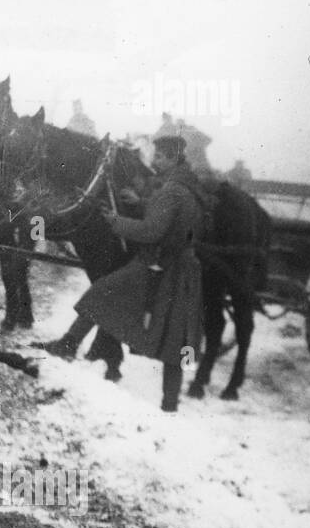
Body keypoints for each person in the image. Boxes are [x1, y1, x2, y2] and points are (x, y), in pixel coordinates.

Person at [71, 135, 208, 411]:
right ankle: (169, 405)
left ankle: (67, 345)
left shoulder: (171, 190)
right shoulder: (186, 187)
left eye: (159, 156)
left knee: (101, 292)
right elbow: (168, 217)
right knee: (174, 340)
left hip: (161, 265)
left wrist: (115, 221)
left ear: (171, 158)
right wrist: (141, 202)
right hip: (182, 271)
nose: (154, 161)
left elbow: (151, 231)